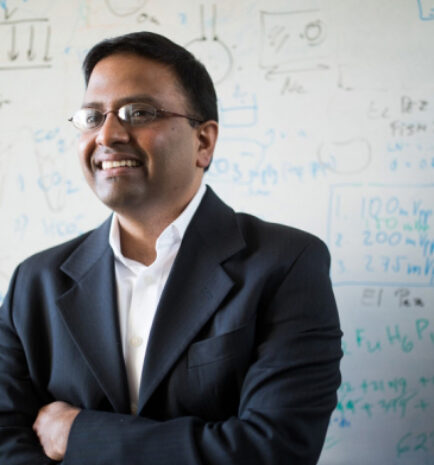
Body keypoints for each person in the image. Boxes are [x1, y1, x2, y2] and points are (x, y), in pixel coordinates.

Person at [0, 31, 342, 465]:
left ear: (204, 142)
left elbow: (273, 450)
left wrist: (80, 434)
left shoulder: (286, 263)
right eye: (92, 117)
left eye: (138, 112)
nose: (108, 134)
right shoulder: (37, 281)